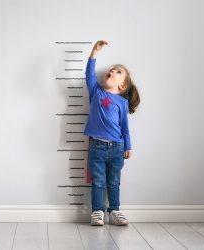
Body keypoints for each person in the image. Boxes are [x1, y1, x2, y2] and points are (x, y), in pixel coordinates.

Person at [84, 40, 140, 226]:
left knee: (114, 182)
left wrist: (128, 146)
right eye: (112, 69)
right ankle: (97, 212)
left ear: (122, 86)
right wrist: (95, 52)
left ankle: (114, 210)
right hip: (97, 147)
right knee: (98, 181)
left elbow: (125, 127)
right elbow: (89, 74)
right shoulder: (96, 91)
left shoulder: (122, 103)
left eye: (118, 71)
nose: (113, 71)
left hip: (117, 148)